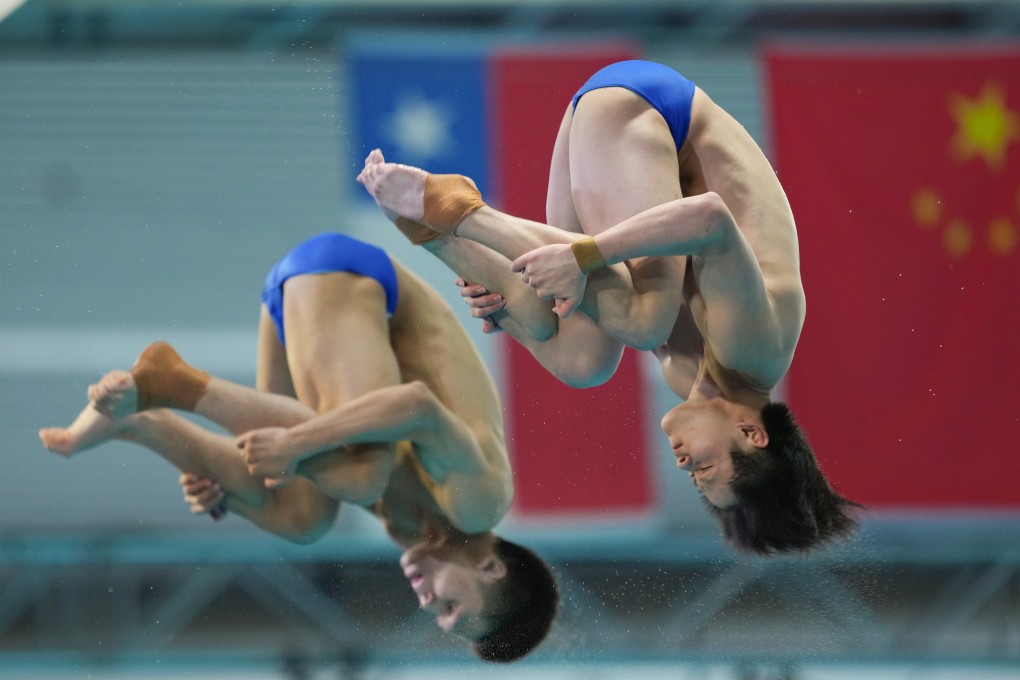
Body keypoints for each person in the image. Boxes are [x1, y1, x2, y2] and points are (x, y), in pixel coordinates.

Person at [357, 59, 860, 556]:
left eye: (693, 480)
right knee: (644, 322)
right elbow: (708, 217)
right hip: (650, 111)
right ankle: (459, 211)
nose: (685, 465)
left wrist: (508, 311)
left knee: (582, 362)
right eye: (705, 469)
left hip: (603, 143)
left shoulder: (692, 383)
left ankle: (425, 230)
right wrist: (583, 256)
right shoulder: (757, 345)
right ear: (751, 432)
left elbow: (576, 308)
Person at [38, 232, 558, 662]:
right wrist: (296, 442)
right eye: (450, 609)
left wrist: (227, 487)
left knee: (304, 519)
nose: (426, 606)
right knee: (360, 475)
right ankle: (171, 383)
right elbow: (417, 406)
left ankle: (142, 424)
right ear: (491, 569)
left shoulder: (410, 530)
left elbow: (304, 462)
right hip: (350, 280)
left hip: (303, 312)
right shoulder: (479, 503)